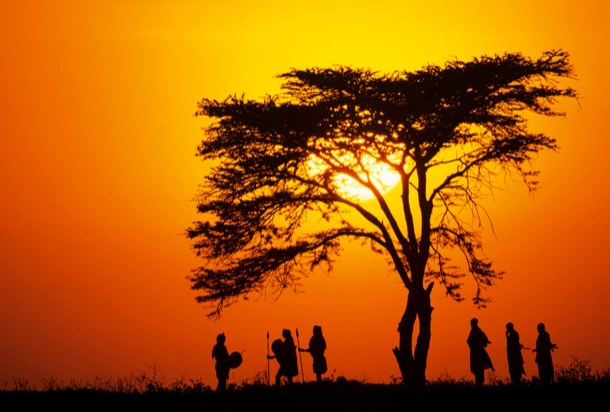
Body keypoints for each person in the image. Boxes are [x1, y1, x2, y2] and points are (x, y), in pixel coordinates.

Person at [467, 318, 494, 386]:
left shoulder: (477, 331)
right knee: (477, 370)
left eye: (471, 323)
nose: (470, 324)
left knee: (478, 370)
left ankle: (479, 384)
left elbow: (472, 341)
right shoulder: (475, 331)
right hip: (475, 352)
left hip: (477, 353)